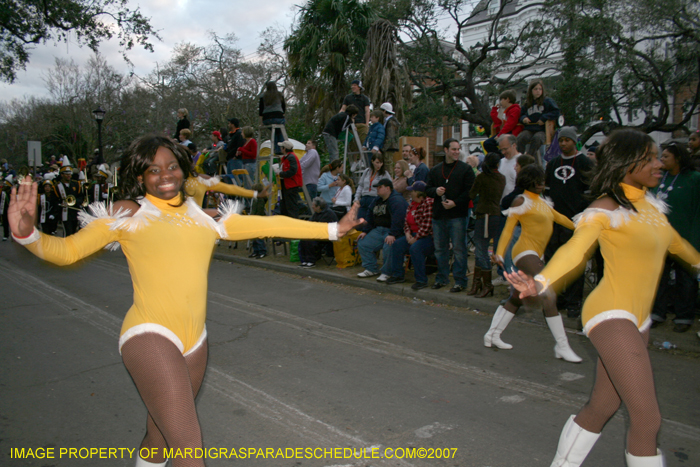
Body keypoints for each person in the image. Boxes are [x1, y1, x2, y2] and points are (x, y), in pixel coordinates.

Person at [6, 134, 362, 467]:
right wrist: (27, 234)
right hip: (149, 334)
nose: (164, 175)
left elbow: (269, 224)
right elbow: (66, 251)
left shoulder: (202, 217)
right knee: (190, 453)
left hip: (195, 341)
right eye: (153, 169)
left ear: (183, 168)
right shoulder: (128, 213)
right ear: (140, 176)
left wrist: (332, 230)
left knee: (160, 436)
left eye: (171, 166)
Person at [506, 129, 700, 467]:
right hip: (611, 315)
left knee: (603, 405)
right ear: (629, 163)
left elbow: (678, 245)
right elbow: (575, 249)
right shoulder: (604, 209)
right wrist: (541, 281)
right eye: (651, 158)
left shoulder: (651, 207)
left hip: (639, 320)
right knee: (647, 419)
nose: (658, 164)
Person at [485, 165, 582, 363]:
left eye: (543, 180)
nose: (542, 184)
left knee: (517, 297)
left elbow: (563, 219)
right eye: (538, 180)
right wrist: (500, 253)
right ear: (529, 181)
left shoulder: (544, 203)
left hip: (536, 256)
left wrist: (587, 225)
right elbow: (508, 230)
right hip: (523, 252)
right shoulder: (522, 200)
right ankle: (562, 346)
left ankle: (492, 335)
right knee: (548, 292)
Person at [544, 126, 594, 319]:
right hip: (555, 222)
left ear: (575, 141)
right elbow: (547, 190)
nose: (563, 143)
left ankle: (574, 302)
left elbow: (590, 192)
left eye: (567, 140)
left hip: (575, 222)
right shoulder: (553, 163)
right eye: (561, 140)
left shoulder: (585, 163)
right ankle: (560, 297)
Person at [650, 142, 700, 333]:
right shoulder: (660, 178)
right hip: (660, 239)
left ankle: (684, 316)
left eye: (665, 157)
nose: (661, 160)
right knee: (659, 277)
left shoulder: (694, 179)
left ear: (677, 159)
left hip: (685, 237)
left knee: (685, 280)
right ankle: (657, 313)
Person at [425, 138, 476, 292]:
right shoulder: (435, 170)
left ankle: (460, 281)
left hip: (458, 215)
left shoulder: (465, 169)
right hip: (439, 216)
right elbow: (427, 189)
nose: (456, 152)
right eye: (453, 149)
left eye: (458, 149)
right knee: (440, 249)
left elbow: (470, 191)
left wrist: (455, 202)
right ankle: (442, 278)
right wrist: (436, 191)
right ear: (446, 150)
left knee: (459, 249)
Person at [468, 153, 506, 297]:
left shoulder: (482, 178)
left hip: (484, 215)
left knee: (481, 249)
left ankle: (487, 284)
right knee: (481, 249)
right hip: (495, 214)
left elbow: (471, 194)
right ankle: (478, 283)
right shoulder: (501, 178)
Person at [385, 181, 435, 289]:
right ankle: (398, 274)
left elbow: (427, 226)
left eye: (412, 191)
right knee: (397, 245)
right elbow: (406, 222)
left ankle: (421, 280)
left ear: (418, 193)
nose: (410, 193)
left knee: (415, 248)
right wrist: (407, 234)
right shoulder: (412, 204)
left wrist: (416, 238)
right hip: (412, 234)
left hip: (427, 237)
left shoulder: (428, 203)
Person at [356, 179, 408, 282]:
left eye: (380, 187)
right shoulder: (377, 200)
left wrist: (393, 234)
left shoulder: (397, 200)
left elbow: (399, 219)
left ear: (388, 188)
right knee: (363, 242)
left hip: (392, 231)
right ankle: (371, 269)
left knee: (389, 246)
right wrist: (365, 231)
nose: (377, 189)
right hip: (378, 229)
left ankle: (387, 272)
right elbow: (369, 215)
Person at [516, 79, 560, 164]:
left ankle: (528, 157)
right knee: (521, 137)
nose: (538, 91)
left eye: (540, 89)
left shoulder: (547, 101)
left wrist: (544, 118)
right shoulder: (527, 103)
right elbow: (521, 115)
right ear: (531, 91)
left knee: (537, 139)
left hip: (542, 129)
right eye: (535, 89)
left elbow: (556, 112)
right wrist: (524, 118)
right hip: (529, 129)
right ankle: (519, 157)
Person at [298, 197, 339, 268]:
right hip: (319, 233)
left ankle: (311, 261)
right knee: (303, 240)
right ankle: (305, 260)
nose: (312, 206)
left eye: (313, 205)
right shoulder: (317, 213)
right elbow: (311, 223)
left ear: (318, 207)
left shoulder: (328, 214)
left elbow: (320, 227)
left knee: (309, 241)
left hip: (328, 235)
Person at [354, 152, 392, 221]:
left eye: (381, 163)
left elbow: (390, 186)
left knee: (370, 220)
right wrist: (356, 198)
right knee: (360, 219)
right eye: (377, 162)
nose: (379, 165)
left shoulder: (384, 173)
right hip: (364, 198)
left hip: (374, 198)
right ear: (372, 161)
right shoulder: (367, 171)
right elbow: (361, 186)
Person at [483, 90, 522, 154]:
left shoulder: (515, 110)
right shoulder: (505, 111)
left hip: (512, 133)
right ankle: (500, 157)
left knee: (489, 143)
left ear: (507, 99)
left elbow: (510, 124)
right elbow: (497, 121)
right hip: (505, 132)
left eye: (501, 100)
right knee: (487, 143)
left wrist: (500, 135)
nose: (500, 102)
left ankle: (501, 157)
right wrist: (494, 110)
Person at [340, 80, 371, 157]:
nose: (352, 87)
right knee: (353, 143)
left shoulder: (364, 98)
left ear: (359, 87)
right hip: (351, 124)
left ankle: (361, 160)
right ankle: (355, 160)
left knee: (363, 142)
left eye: (355, 85)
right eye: (352, 85)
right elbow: (343, 109)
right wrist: (339, 117)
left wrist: (367, 124)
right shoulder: (348, 97)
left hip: (362, 124)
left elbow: (367, 111)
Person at [53, 163, 84, 236]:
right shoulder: (57, 187)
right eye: (66, 174)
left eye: (69, 174)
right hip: (65, 213)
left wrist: (76, 201)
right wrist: (59, 205)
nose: (68, 176)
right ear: (62, 175)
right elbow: (55, 200)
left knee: (74, 233)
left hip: (75, 212)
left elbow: (81, 197)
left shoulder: (76, 184)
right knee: (68, 233)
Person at [277, 140, 304, 219]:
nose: (280, 149)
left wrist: (281, 174)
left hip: (291, 185)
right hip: (287, 185)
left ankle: (293, 222)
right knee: (285, 206)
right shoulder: (287, 157)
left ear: (284, 149)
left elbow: (293, 171)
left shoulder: (291, 157)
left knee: (291, 206)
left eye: (281, 147)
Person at [259, 82, 286, 155]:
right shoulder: (280, 95)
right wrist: (282, 115)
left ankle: (277, 149)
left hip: (267, 119)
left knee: (275, 131)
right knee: (280, 131)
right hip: (278, 117)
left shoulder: (263, 96)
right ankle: (283, 148)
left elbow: (261, 110)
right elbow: (284, 108)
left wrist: (261, 122)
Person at [248, 183, 269, 259]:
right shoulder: (256, 198)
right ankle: (256, 251)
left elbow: (258, 210)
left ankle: (261, 251)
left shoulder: (259, 200)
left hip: (257, 219)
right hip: (255, 218)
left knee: (259, 237)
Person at [381, 103, 401, 169]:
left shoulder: (391, 121)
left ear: (384, 111)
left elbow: (390, 136)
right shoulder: (388, 120)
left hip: (389, 147)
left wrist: (384, 148)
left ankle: (389, 178)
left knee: (387, 164)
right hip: (389, 146)